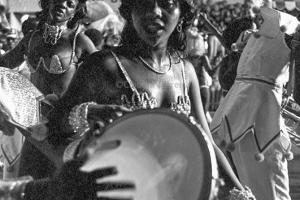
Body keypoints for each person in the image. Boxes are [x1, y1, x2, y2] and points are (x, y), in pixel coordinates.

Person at [46, 0, 253, 197]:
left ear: (181, 13)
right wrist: (90, 112)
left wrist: (241, 194)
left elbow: (206, 143)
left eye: (167, 3)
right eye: (144, 2)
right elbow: (54, 125)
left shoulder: (185, 71)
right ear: (130, 10)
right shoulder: (104, 65)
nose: (154, 11)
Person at [210, 2, 300, 199]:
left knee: (270, 186)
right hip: (241, 112)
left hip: (263, 116)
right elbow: (227, 79)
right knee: (251, 185)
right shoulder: (247, 46)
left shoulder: (284, 23)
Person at [0, 0, 98, 179]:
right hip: (34, 130)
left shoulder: (79, 41)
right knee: (29, 185)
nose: (63, 5)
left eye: (70, 3)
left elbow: (104, 76)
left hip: (66, 132)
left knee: (62, 187)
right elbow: (3, 64)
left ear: (76, 10)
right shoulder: (31, 39)